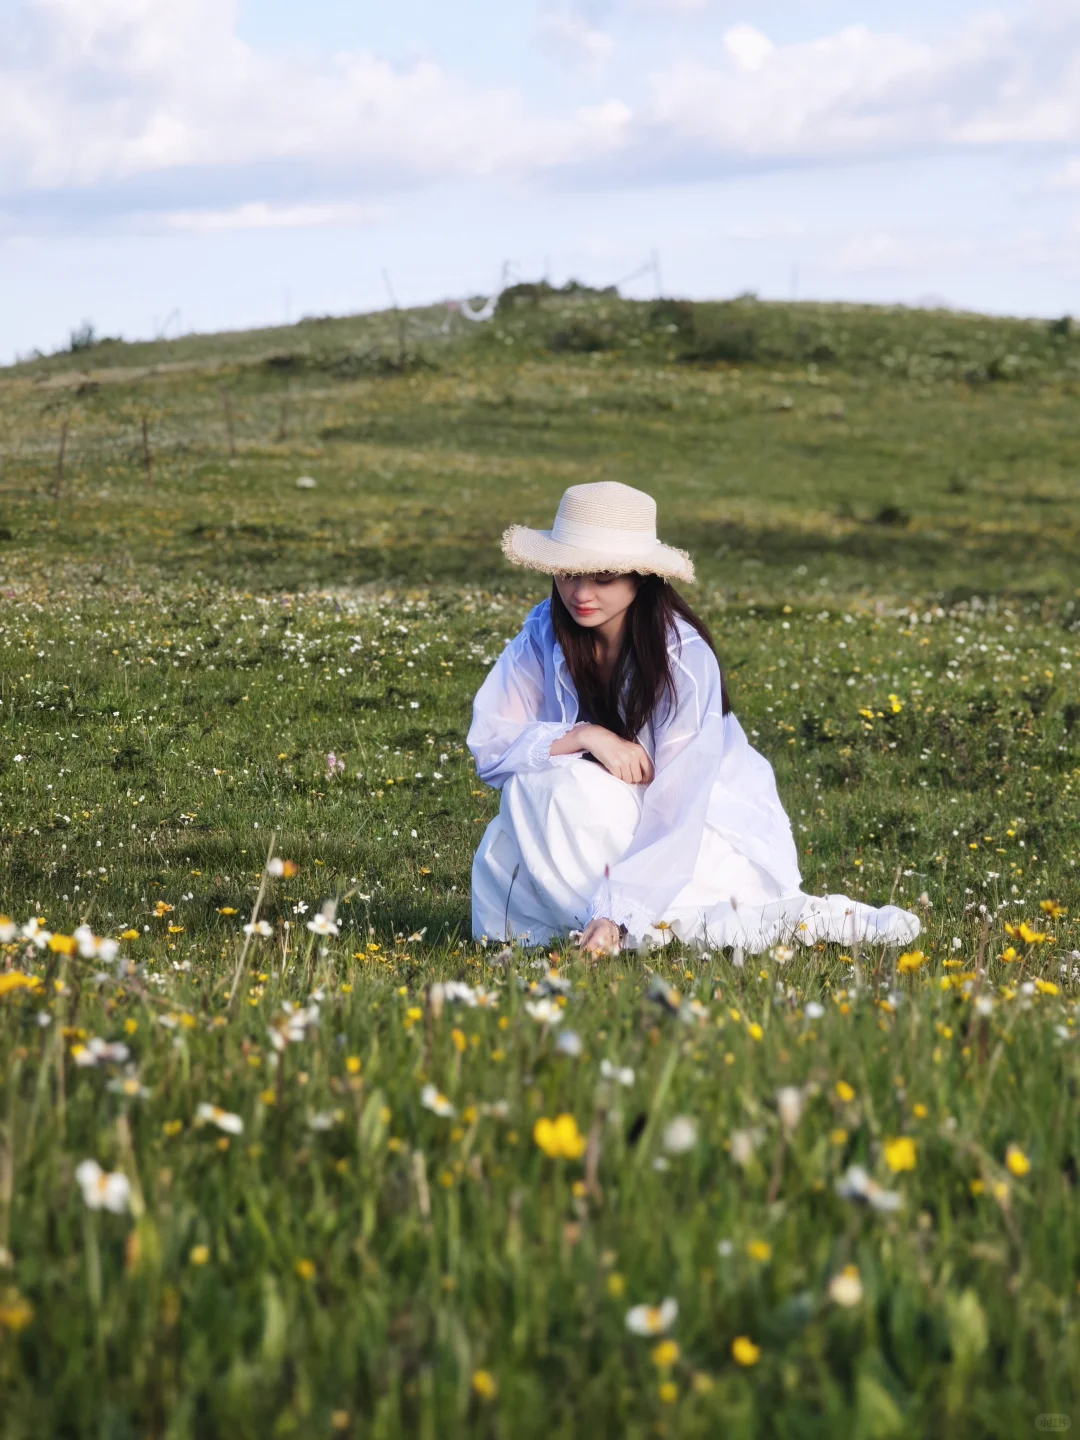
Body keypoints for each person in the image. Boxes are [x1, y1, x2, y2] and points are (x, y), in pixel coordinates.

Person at [468, 481, 920, 957]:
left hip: (693, 836)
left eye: (602, 577)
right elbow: (492, 744)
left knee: (559, 790)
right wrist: (585, 736)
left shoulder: (680, 657)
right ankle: (589, 918)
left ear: (639, 577)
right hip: (603, 817)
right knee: (530, 791)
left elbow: (678, 805)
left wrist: (619, 911)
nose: (579, 593)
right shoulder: (545, 628)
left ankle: (614, 922)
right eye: (566, 574)